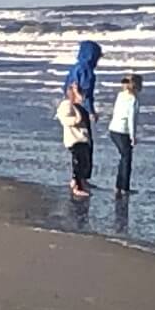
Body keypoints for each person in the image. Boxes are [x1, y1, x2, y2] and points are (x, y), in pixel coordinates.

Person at [58, 39, 99, 200]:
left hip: (72, 104)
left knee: (78, 145)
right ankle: (80, 179)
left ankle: (80, 179)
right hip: (80, 107)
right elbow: (86, 94)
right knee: (84, 145)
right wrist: (91, 111)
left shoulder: (74, 68)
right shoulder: (87, 71)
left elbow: (66, 87)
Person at [108, 71, 142, 199]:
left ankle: (119, 185)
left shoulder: (121, 95)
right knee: (126, 159)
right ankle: (124, 187)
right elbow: (131, 119)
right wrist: (133, 136)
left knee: (123, 158)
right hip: (123, 131)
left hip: (113, 129)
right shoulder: (133, 99)